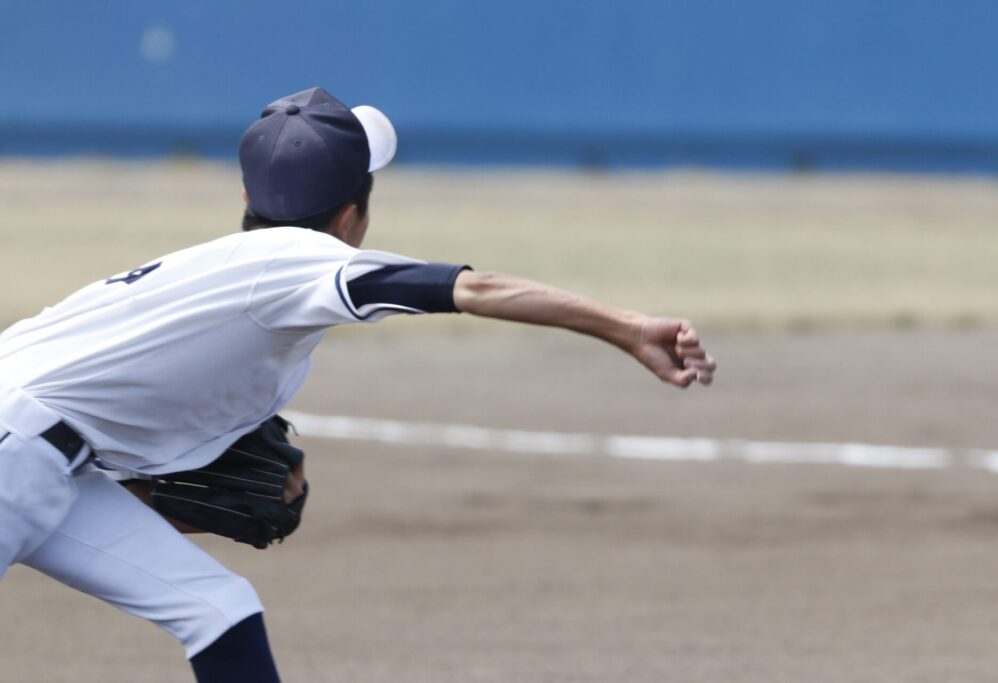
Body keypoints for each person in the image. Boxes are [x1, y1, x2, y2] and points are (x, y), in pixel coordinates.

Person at [0, 87, 716, 682]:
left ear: (247, 192)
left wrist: (156, 497)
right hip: (17, 456)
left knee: (218, 605)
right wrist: (627, 327)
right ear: (351, 216)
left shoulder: (211, 274)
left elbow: (74, 431)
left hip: (38, 463)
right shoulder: (306, 262)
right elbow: (475, 288)